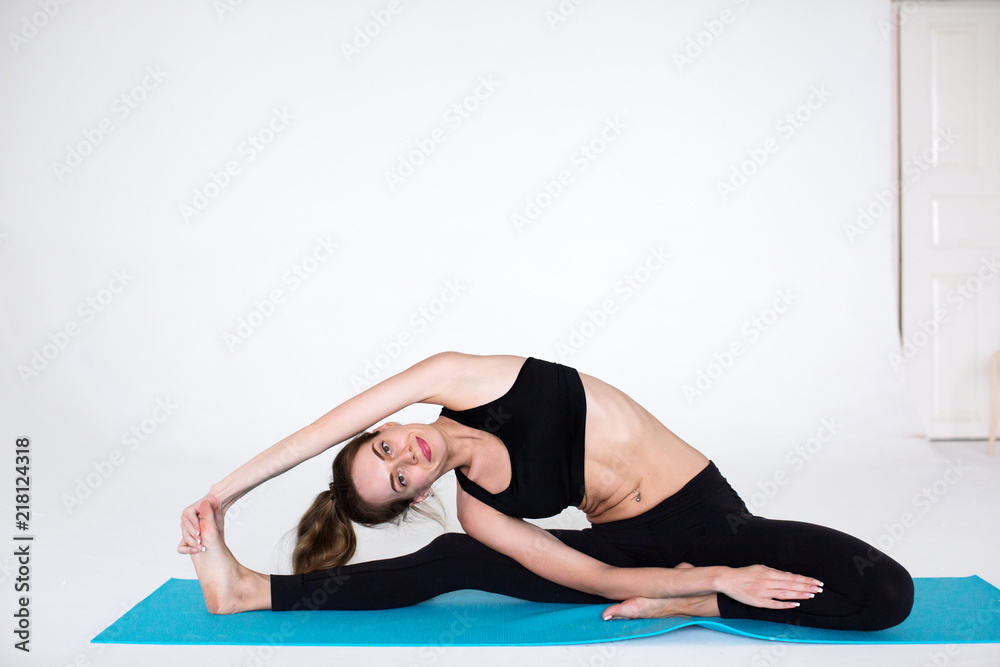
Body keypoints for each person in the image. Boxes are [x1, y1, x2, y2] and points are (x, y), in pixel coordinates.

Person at [179, 352, 913, 629]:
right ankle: (247, 590)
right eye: (400, 480)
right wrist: (727, 582)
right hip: (629, 554)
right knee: (456, 556)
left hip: (709, 522)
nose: (406, 455)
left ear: (390, 424)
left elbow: (321, 427)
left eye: (386, 444)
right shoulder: (477, 507)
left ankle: (693, 602)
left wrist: (223, 492)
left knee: (887, 593)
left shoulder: (464, 378)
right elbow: (599, 575)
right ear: (414, 494)